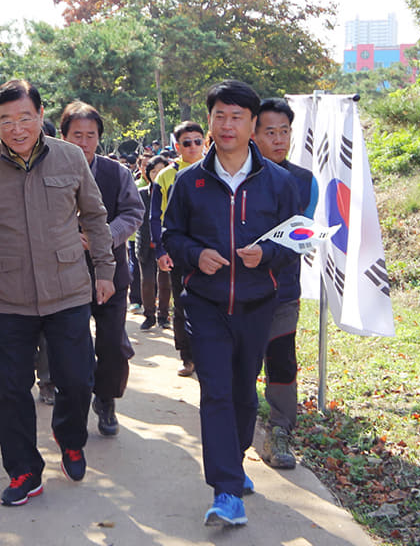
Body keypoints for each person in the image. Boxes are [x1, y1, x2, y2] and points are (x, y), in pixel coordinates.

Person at [0, 79, 115, 507]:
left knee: (78, 380)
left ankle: (70, 436)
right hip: (10, 297)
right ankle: (24, 470)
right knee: (11, 391)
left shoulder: (69, 157)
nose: (16, 128)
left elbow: (95, 218)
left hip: (69, 291)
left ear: (41, 116)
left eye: (25, 117)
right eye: (6, 120)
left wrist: (104, 270)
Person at [162, 80, 300, 527]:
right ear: (209, 121)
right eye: (219, 115)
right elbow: (171, 235)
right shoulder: (190, 182)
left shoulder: (279, 182)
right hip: (205, 303)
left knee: (243, 391)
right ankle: (225, 490)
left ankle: (234, 461)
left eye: (237, 117)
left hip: (258, 303)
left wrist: (269, 255)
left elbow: (295, 238)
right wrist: (194, 256)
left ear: (253, 124)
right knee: (216, 391)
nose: (226, 124)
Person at [59, 101, 144, 437]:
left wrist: (104, 235)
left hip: (112, 273)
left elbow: (133, 212)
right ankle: (75, 404)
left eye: (90, 135)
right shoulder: (49, 173)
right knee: (73, 345)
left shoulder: (117, 173)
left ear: (99, 138)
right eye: (76, 135)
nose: (83, 142)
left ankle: (106, 399)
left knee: (110, 343)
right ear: (63, 136)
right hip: (65, 274)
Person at [252, 97, 318, 471]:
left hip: (282, 291)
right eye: (270, 132)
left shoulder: (304, 180)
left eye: (285, 132)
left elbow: (299, 236)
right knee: (241, 364)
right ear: (254, 134)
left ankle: (280, 431)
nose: (279, 139)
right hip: (237, 293)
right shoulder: (239, 175)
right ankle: (243, 428)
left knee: (281, 360)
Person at [150, 120, 207, 377]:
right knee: (182, 303)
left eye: (198, 141)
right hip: (177, 251)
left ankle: (209, 356)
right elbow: (154, 217)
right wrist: (160, 251)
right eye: (187, 142)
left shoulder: (215, 170)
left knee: (209, 306)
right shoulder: (165, 176)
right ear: (177, 146)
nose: (193, 146)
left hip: (210, 251)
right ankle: (188, 357)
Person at [138, 155, 173, 330]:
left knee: (165, 281)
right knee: (148, 281)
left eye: (161, 170)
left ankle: (164, 315)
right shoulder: (142, 194)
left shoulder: (173, 191)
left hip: (165, 243)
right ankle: (149, 315)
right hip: (146, 243)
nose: (157, 174)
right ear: (147, 174)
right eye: (153, 171)